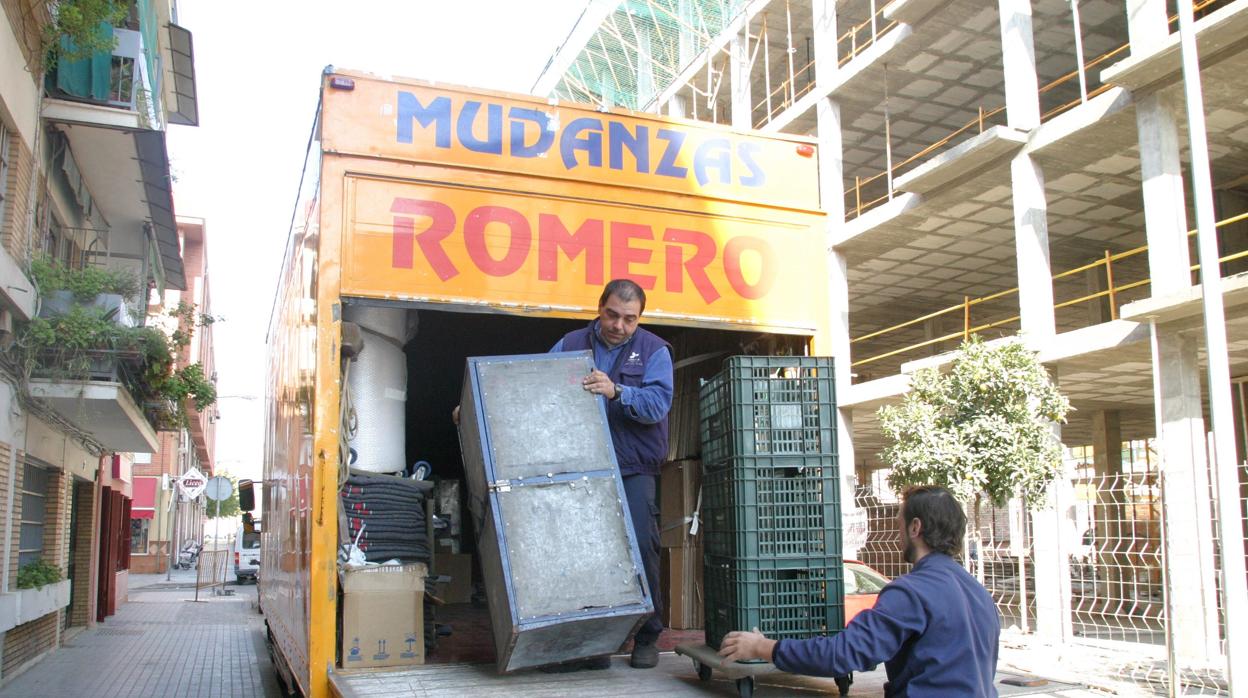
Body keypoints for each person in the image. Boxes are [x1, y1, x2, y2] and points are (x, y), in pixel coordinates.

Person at [717, 485, 1000, 696]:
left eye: (899, 522)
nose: (897, 530)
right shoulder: (979, 593)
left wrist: (762, 647)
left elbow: (843, 654)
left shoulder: (912, 593)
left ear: (916, 527)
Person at [551, 278, 673, 670]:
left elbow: (657, 405)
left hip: (632, 467)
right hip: (581, 468)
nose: (619, 325)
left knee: (640, 548)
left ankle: (648, 636)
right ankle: (594, 642)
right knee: (585, 553)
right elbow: (534, 383)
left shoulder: (654, 350)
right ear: (600, 306)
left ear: (639, 319)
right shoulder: (569, 344)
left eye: (629, 319)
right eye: (612, 315)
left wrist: (617, 391)